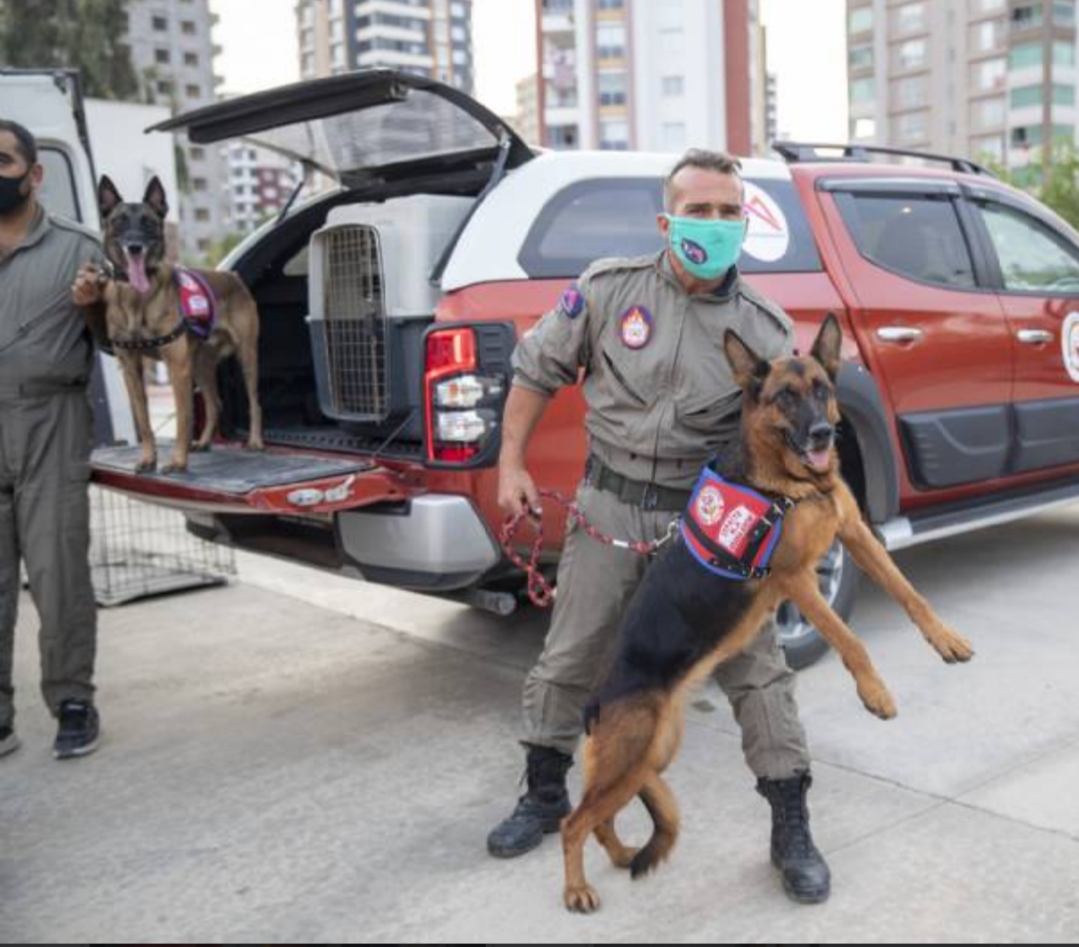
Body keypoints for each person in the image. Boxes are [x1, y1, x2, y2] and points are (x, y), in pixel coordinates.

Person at [486, 149, 831, 904]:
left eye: (727, 212)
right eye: (698, 210)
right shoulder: (609, 290)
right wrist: (510, 463)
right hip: (610, 505)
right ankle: (544, 794)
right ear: (665, 221)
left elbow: (790, 426)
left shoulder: (762, 327)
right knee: (572, 653)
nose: (712, 225)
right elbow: (535, 370)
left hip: (710, 519)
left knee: (755, 667)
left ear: (744, 222)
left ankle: (790, 820)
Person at [0, 119, 106, 760]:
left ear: (34, 174)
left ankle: (72, 700)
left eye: (2, 161)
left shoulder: (79, 249)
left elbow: (120, 343)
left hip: (51, 420)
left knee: (58, 567)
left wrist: (94, 305)